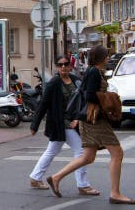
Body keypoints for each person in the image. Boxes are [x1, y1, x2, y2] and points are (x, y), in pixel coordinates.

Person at [45, 45, 133, 204]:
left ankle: (56, 177)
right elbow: (89, 95)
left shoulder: (95, 71)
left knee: (88, 156)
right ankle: (115, 193)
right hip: (94, 120)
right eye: (106, 55)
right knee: (117, 153)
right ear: (101, 57)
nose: (108, 58)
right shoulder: (93, 72)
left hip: (90, 120)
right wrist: (108, 98)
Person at [28, 55, 97, 195]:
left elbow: (82, 100)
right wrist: (34, 125)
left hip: (74, 122)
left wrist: (79, 118)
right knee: (81, 152)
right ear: (57, 67)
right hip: (60, 123)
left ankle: (35, 177)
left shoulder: (76, 80)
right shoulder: (54, 83)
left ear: (70, 65)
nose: (64, 67)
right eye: (60, 65)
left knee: (52, 150)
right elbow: (44, 104)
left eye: (66, 64)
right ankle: (83, 185)